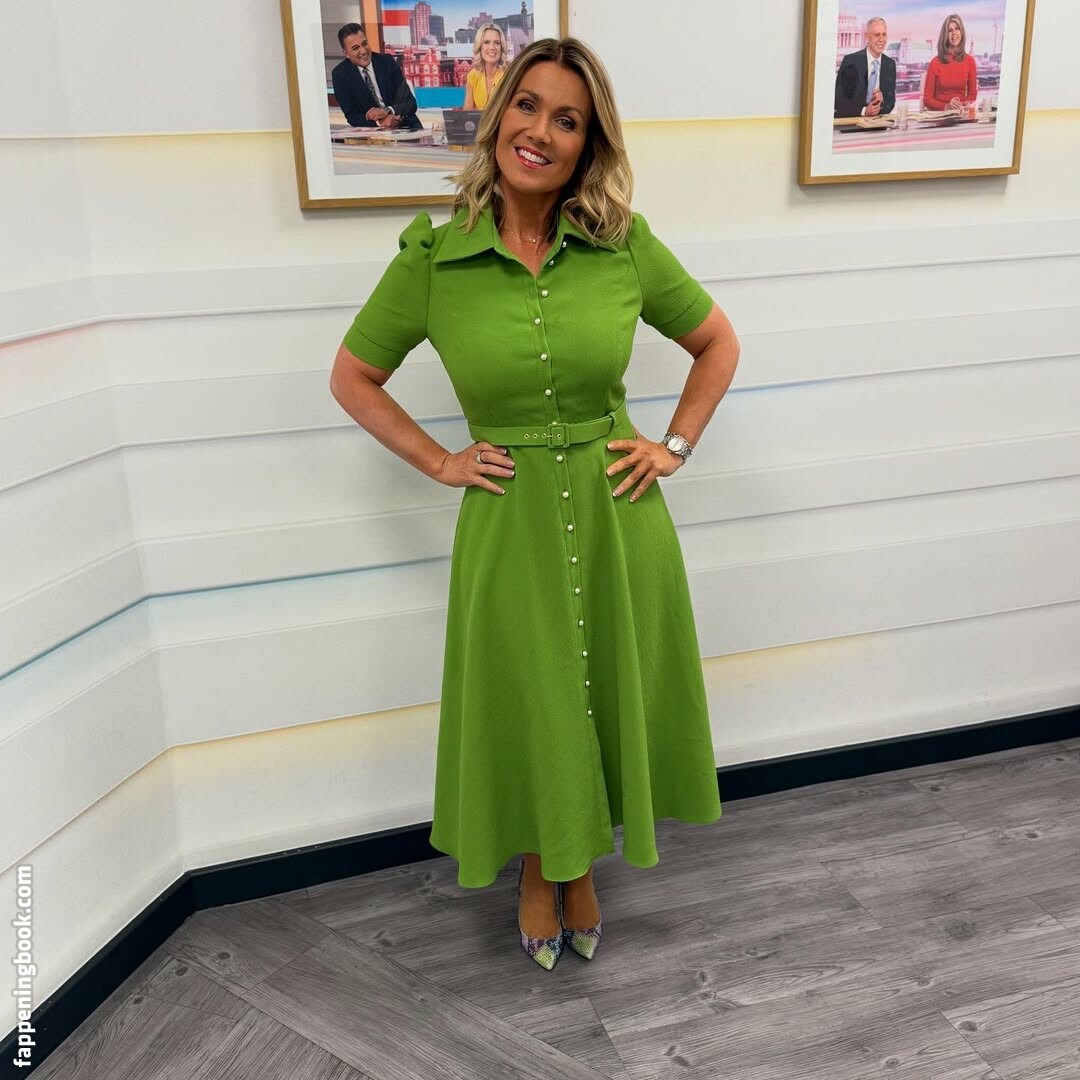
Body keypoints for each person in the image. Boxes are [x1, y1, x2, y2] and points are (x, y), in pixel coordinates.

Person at [329, 37, 739, 971]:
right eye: (528, 106)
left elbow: (717, 342)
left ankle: (578, 864)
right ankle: (538, 865)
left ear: (589, 144)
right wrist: (439, 461)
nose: (541, 132)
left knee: (600, 690)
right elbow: (353, 377)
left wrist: (673, 445)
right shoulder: (436, 259)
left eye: (568, 120)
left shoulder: (624, 244)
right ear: (497, 114)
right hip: (507, 518)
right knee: (532, 696)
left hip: (616, 509)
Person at [331, 23, 422, 132]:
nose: (363, 51)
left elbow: (410, 103)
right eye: (356, 48)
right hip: (373, 132)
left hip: (406, 125)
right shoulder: (340, 74)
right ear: (346, 53)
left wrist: (388, 111)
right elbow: (352, 116)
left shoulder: (387, 62)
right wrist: (381, 123)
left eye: (364, 44)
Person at [834, 17, 896, 118]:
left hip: (875, 123)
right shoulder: (851, 61)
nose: (881, 39)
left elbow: (891, 103)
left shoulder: (890, 64)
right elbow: (838, 101)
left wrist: (882, 102)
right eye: (877, 35)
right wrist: (864, 111)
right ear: (867, 37)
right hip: (850, 122)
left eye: (884, 34)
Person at [923, 14, 978, 112]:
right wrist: (947, 106)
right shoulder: (935, 62)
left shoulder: (970, 61)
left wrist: (961, 106)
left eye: (957, 29)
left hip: (961, 113)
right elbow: (927, 100)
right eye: (950, 30)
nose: (954, 33)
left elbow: (972, 96)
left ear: (962, 32)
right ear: (945, 35)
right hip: (940, 114)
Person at [463, 23, 509, 110]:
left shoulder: (509, 75)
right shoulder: (473, 75)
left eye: (497, 43)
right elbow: (467, 114)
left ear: (501, 47)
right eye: (486, 42)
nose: (492, 47)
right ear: (480, 46)